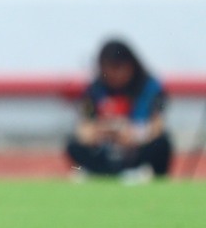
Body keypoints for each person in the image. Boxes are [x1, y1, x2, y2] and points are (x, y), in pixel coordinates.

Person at [66, 39, 173, 181]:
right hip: (106, 146)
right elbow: (84, 127)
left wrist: (136, 134)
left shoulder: (151, 88)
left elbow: (158, 125)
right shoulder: (94, 90)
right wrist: (101, 132)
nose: (113, 74)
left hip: (137, 147)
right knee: (73, 144)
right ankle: (99, 172)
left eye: (118, 68)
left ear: (131, 65)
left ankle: (142, 172)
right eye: (107, 68)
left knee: (162, 143)